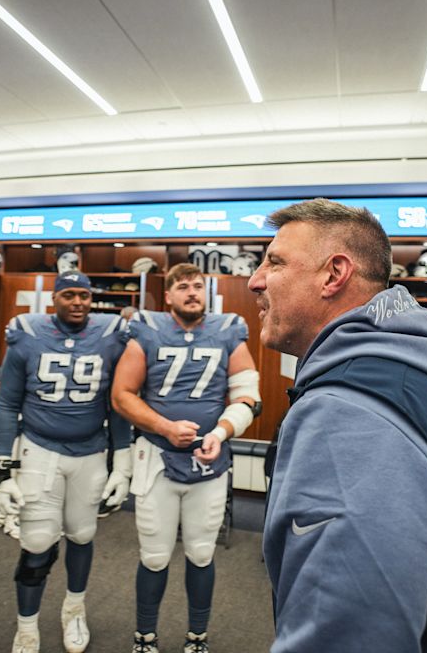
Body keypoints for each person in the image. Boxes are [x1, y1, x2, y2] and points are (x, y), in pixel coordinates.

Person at [249, 198, 427, 652]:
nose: (255, 280)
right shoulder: (414, 374)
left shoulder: (348, 412)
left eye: (274, 262)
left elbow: (349, 637)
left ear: (334, 274)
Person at [111, 263, 261, 653]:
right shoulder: (147, 328)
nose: (192, 291)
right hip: (157, 458)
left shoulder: (228, 329)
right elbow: (122, 395)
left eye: (198, 285)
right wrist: (163, 426)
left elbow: (249, 396)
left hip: (209, 461)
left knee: (200, 553)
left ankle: (197, 637)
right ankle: (145, 637)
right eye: (183, 286)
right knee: (155, 556)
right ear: (169, 296)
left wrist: (220, 431)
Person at [0, 271, 131, 653]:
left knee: (83, 535)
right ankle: (26, 626)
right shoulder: (27, 332)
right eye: (68, 294)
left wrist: (122, 464)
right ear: (54, 298)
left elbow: (117, 406)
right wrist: (2, 470)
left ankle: (74, 609)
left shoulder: (111, 335)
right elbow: (6, 404)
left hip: (90, 451)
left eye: (84, 295)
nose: (77, 302)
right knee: (37, 542)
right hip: (39, 449)